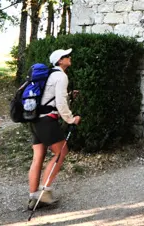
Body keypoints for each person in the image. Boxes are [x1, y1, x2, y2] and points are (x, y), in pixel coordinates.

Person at [28, 48, 81, 209]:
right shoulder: (61, 76)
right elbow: (60, 104)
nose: (69, 57)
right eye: (66, 56)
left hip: (36, 120)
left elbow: (50, 97)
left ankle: (33, 196)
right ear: (59, 61)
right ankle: (44, 193)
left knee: (38, 156)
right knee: (61, 152)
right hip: (47, 121)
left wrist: (69, 95)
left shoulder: (50, 75)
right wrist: (71, 119)